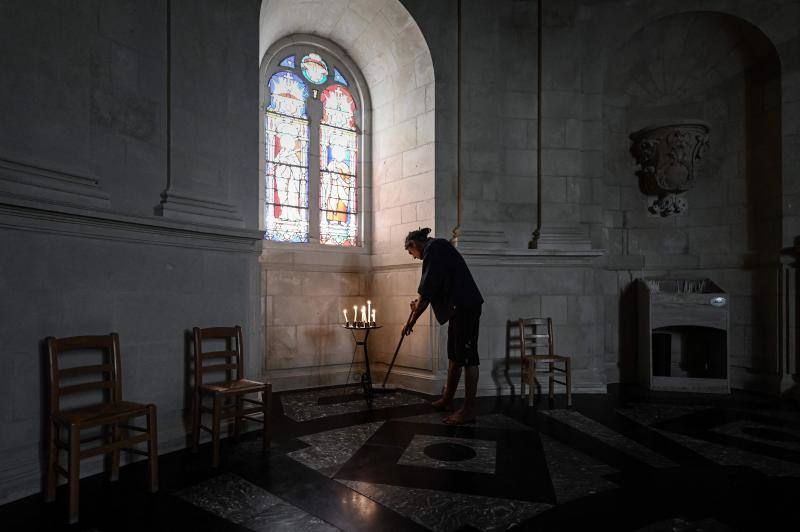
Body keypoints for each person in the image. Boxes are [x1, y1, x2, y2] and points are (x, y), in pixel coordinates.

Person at [402, 228, 484, 424]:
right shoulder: (436, 247)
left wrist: (410, 322)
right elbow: (432, 289)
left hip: (465, 307)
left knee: (468, 357)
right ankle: (448, 399)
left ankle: (469, 409)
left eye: (410, 252)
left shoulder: (434, 249)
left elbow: (427, 292)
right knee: (455, 355)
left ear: (414, 245)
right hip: (459, 308)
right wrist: (419, 304)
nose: (413, 258)